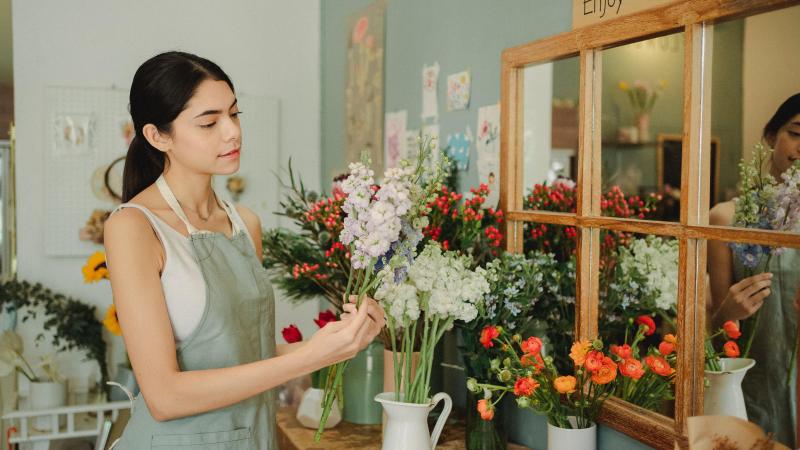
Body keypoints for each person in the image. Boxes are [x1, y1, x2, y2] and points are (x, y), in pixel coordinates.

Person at [103, 51, 385, 449]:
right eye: (209, 122)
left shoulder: (243, 223)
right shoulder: (133, 227)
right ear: (158, 136)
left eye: (234, 114)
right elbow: (164, 397)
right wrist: (309, 358)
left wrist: (341, 342)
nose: (232, 131)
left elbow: (245, 352)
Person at [708, 93, 800, 447]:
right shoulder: (726, 219)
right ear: (771, 135)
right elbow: (716, 338)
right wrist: (727, 314)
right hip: (749, 395)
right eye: (796, 132)